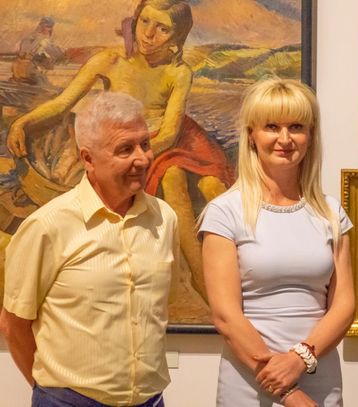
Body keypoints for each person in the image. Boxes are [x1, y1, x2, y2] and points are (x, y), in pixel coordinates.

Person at [4, 0, 232, 316]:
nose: (149, 34)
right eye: (145, 22)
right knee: (173, 179)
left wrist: (134, 152)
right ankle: (199, 275)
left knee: (211, 187)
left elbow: (169, 133)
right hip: (129, 143)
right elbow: (62, 103)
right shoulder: (109, 61)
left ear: (177, 37)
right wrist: (22, 122)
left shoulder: (178, 72)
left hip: (176, 141)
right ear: (135, 21)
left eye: (162, 28)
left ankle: (224, 280)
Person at [0, 92, 190, 406]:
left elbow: (157, 308)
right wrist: (49, 391)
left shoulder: (164, 218)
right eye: (125, 149)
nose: (143, 159)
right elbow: (14, 324)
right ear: (88, 159)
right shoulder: (47, 226)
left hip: (149, 399)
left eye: (145, 144)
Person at [198, 78, 355, 406]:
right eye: (272, 127)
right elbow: (226, 317)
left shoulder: (331, 212)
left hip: (319, 378)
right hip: (251, 384)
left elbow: (344, 307)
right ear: (252, 134)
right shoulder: (224, 212)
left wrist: (300, 359)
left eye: (296, 127)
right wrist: (288, 391)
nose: (285, 139)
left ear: (310, 135)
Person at [11, 16, 64, 86]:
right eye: (47, 27)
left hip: (25, 68)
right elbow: (25, 54)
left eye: (50, 27)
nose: (49, 29)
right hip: (25, 68)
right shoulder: (36, 39)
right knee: (41, 82)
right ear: (41, 26)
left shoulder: (40, 39)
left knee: (43, 80)